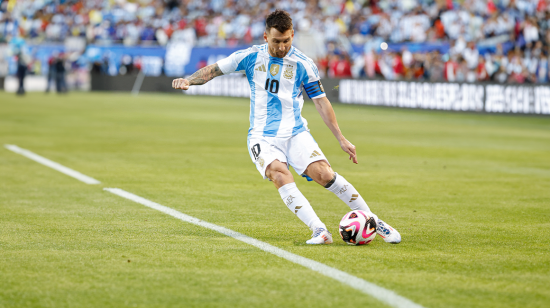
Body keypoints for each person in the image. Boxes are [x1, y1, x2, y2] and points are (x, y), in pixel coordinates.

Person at [172, 10, 401, 245]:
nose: (281, 47)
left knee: (324, 175)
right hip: (262, 136)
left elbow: (321, 102)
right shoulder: (250, 57)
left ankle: (375, 222)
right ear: (265, 37)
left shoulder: (303, 64)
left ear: (292, 35)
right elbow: (213, 70)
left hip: (295, 133)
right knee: (278, 174)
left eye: (286, 41)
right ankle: (319, 230)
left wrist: (341, 138)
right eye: (276, 41)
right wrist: (189, 80)